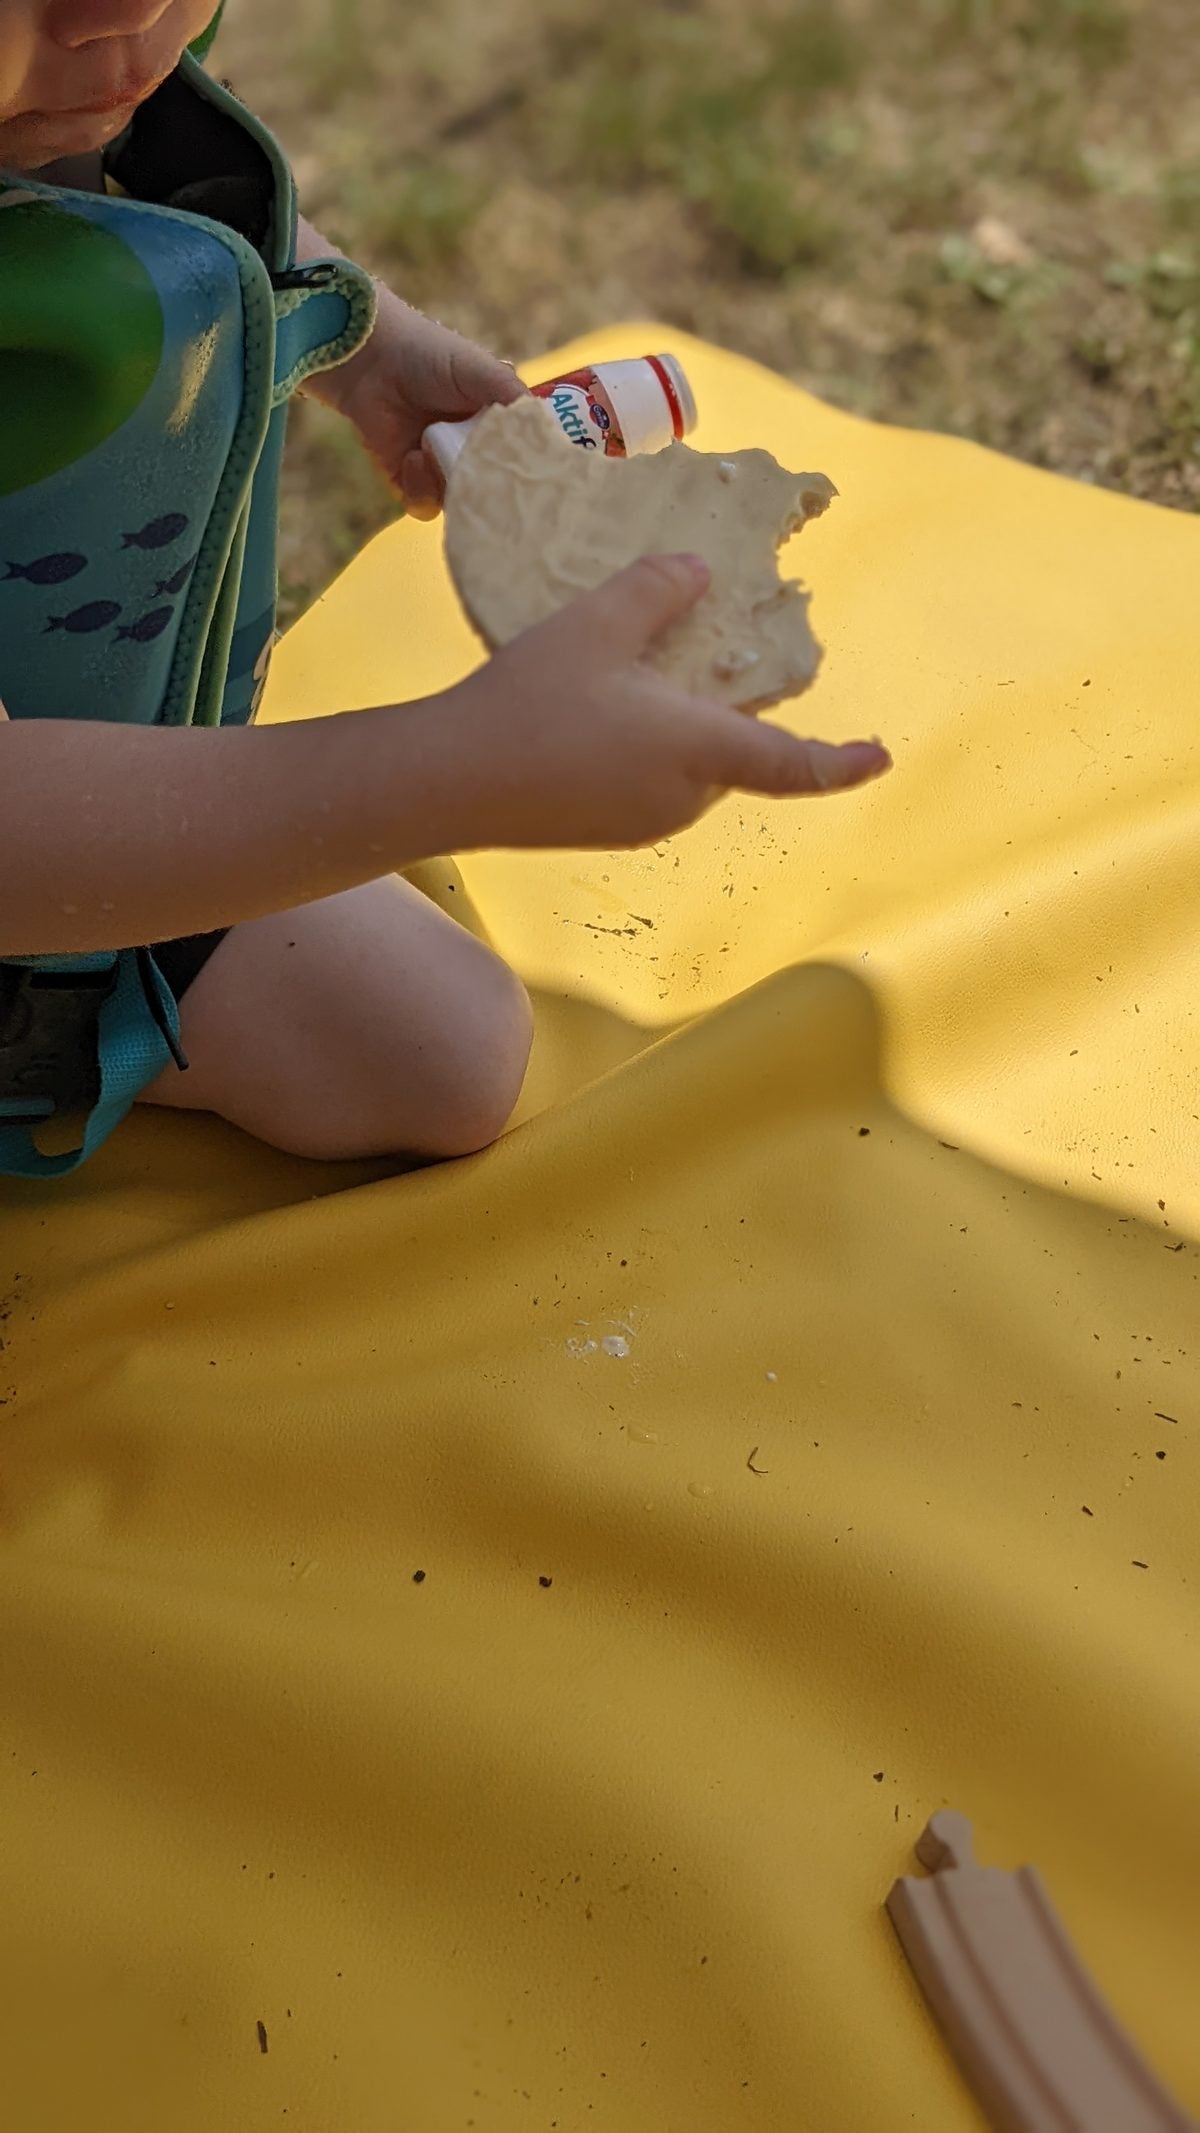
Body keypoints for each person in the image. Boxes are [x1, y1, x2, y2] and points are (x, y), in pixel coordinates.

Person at [0, 0, 890, 1179]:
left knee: (443, 1051)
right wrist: (447, 770)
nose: (122, 8)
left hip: (94, 794)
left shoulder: (52, 73)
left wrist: (362, 341)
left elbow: (122, 209)